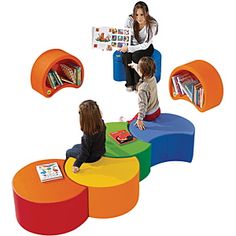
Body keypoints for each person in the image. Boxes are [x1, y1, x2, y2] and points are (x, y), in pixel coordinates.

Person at [120, 1, 158, 91]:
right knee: (125, 55)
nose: (139, 18)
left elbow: (145, 45)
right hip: (131, 45)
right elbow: (124, 36)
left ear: (147, 13)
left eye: (142, 14)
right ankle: (129, 83)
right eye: (136, 15)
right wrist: (122, 46)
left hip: (146, 47)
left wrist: (129, 48)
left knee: (136, 56)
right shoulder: (130, 20)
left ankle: (138, 83)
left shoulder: (152, 24)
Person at [66, 100, 106, 173]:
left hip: (91, 158)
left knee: (68, 152)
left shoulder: (87, 136)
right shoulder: (101, 123)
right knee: (75, 146)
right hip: (100, 152)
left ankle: (67, 171)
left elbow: (85, 154)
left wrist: (76, 165)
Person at [127, 56, 161, 130]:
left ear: (142, 71)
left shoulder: (143, 89)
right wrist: (134, 66)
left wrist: (139, 119)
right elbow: (142, 73)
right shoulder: (153, 77)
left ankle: (126, 123)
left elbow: (143, 105)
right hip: (157, 110)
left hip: (149, 115)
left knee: (130, 123)